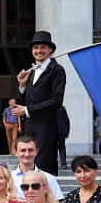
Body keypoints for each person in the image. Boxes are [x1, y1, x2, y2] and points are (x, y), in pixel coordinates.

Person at [11, 31, 66, 175]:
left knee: (43, 161)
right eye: (35, 48)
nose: (38, 51)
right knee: (27, 159)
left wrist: (27, 110)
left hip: (46, 124)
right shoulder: (32, 72)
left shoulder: (57, 70)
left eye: (42, 47)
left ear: (50, 50)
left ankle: (45, 194)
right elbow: (24, 101)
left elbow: (57, 101)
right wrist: (22, 86)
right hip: (30, 124)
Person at [12, 136, 64, 200]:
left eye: (30, 150)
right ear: (15, 152)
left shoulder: (48, 178)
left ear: (36, 151)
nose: (27, 154)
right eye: (23, 150)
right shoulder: (9, 178)